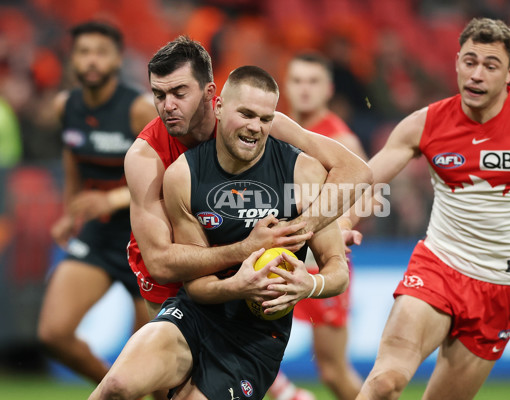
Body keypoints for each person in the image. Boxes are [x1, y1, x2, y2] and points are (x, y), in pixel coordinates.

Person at [342, 18, 510, 400]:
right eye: (469, 61)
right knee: (383, 383)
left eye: (490, 66)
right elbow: (365, 178)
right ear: (456, 62)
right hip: (437, 268)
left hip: (501, 289)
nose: (476, 75)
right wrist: (344, 220)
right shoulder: (425, 123)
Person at [90, 65, 350, 400]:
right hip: (196, 314)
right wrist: (237, 283)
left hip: (255, 337)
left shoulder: (303, 173)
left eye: (265, 119)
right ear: (219, 107)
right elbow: (197, 288)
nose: (255, 128)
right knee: (116, 387)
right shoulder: (183, 175)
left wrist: (309, 283)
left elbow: (337, 269)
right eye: (245, 114)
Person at [124, 36, 371, 319]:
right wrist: (250, 246)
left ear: (210, 94)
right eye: (159, 95)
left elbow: (356, 171)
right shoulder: (145, 157)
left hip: (243, 255)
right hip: (178, 276)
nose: (167, 106)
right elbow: (161, 264)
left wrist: (306, 228)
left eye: (179, 93)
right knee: (171, 355)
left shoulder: (255, 122)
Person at [37, 21, 157, 385]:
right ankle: (117, 390)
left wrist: (111, 198)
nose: (92, 61)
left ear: (118, 59)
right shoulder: (66, 106)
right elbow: (73, 156)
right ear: (72, 59)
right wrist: (69, 210)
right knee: (52, 335)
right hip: (99, 235)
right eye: (84, 52)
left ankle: (132, 387)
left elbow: (167, 176)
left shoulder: (138, 109)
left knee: (156, 368)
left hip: (145, 238)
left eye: (101, 53)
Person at [268, 52, 367, 400]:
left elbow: (363, 196)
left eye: (313, 82)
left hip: (323, 257)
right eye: (297, 81)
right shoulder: (274, 130)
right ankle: (287, 394)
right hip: (279, 252)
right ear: (286, 87)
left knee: (332, 369)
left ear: (328, 89)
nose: (304, 90)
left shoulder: (342, 139)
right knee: (243, 341)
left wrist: (341, 225)